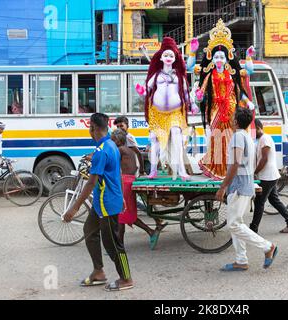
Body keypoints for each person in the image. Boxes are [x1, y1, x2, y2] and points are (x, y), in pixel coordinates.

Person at [63, 113, 133, 292]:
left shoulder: (101, 151)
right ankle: (98, 271)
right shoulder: (111, 145)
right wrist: (122, 196)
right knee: (89, 231)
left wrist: (74, 208)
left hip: (106, 203)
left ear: (92, 127)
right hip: (102, 202)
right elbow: (115, 173)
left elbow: (91, 182)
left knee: (113, 244)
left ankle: (126, 278)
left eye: (89, 127)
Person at [190, 19, 256, 180]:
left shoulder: (233, 75)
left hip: (232, 111)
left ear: (227, 59)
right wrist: (192, 52)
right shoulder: (209, 74)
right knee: (216, 139)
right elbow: (193, 74)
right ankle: (217, 170)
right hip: (215, 111)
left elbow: (247, 76)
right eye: (216, 57)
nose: (219, 59)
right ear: (212, 59)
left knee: (234, 140)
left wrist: (248, 57)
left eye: (222, 57)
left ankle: (233, 169)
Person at [216, 108, 277, 271]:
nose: (230, 118)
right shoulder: (247, 137)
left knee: (234, 225)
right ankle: (241, 260)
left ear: (236, 121)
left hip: (239, 185)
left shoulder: (237, 137)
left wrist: (223, 186)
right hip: (245, 183)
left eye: (232, 116)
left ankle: (267, 246)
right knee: (238, 223)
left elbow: (235, 164)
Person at [136, 37, 198, 180]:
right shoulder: (156, 75)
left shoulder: (179, 76)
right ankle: (153, 170)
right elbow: (148, 90)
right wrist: (142, 91)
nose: (169, 57)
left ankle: (182, 171)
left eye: (171, 55)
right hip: (157, 113)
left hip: (175, 113)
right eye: (166, 55)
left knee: (177, 136)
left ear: (175, 57)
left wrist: (192, 104)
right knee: (155, 140)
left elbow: (186, 93)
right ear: (161, 58)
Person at [110, 129, 168, 250]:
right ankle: (149, 232)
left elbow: (110, 162)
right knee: (126, 214)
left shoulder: (119, 150)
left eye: (113, 139)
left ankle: (119, 245)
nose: (111, 141)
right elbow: (136, 164)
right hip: (131, 180)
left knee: (121, 215)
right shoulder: (129, 150)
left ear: (118, 140)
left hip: (124, 182)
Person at [250, 119, 288, 234]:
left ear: (257, 128)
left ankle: (253, 228)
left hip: (268, 176)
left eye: (252, 130)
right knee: (274, 200)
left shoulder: (265, 139)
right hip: (268, 176)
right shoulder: (261, 139)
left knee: (259, 202)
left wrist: (255, 172)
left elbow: (264, 159)